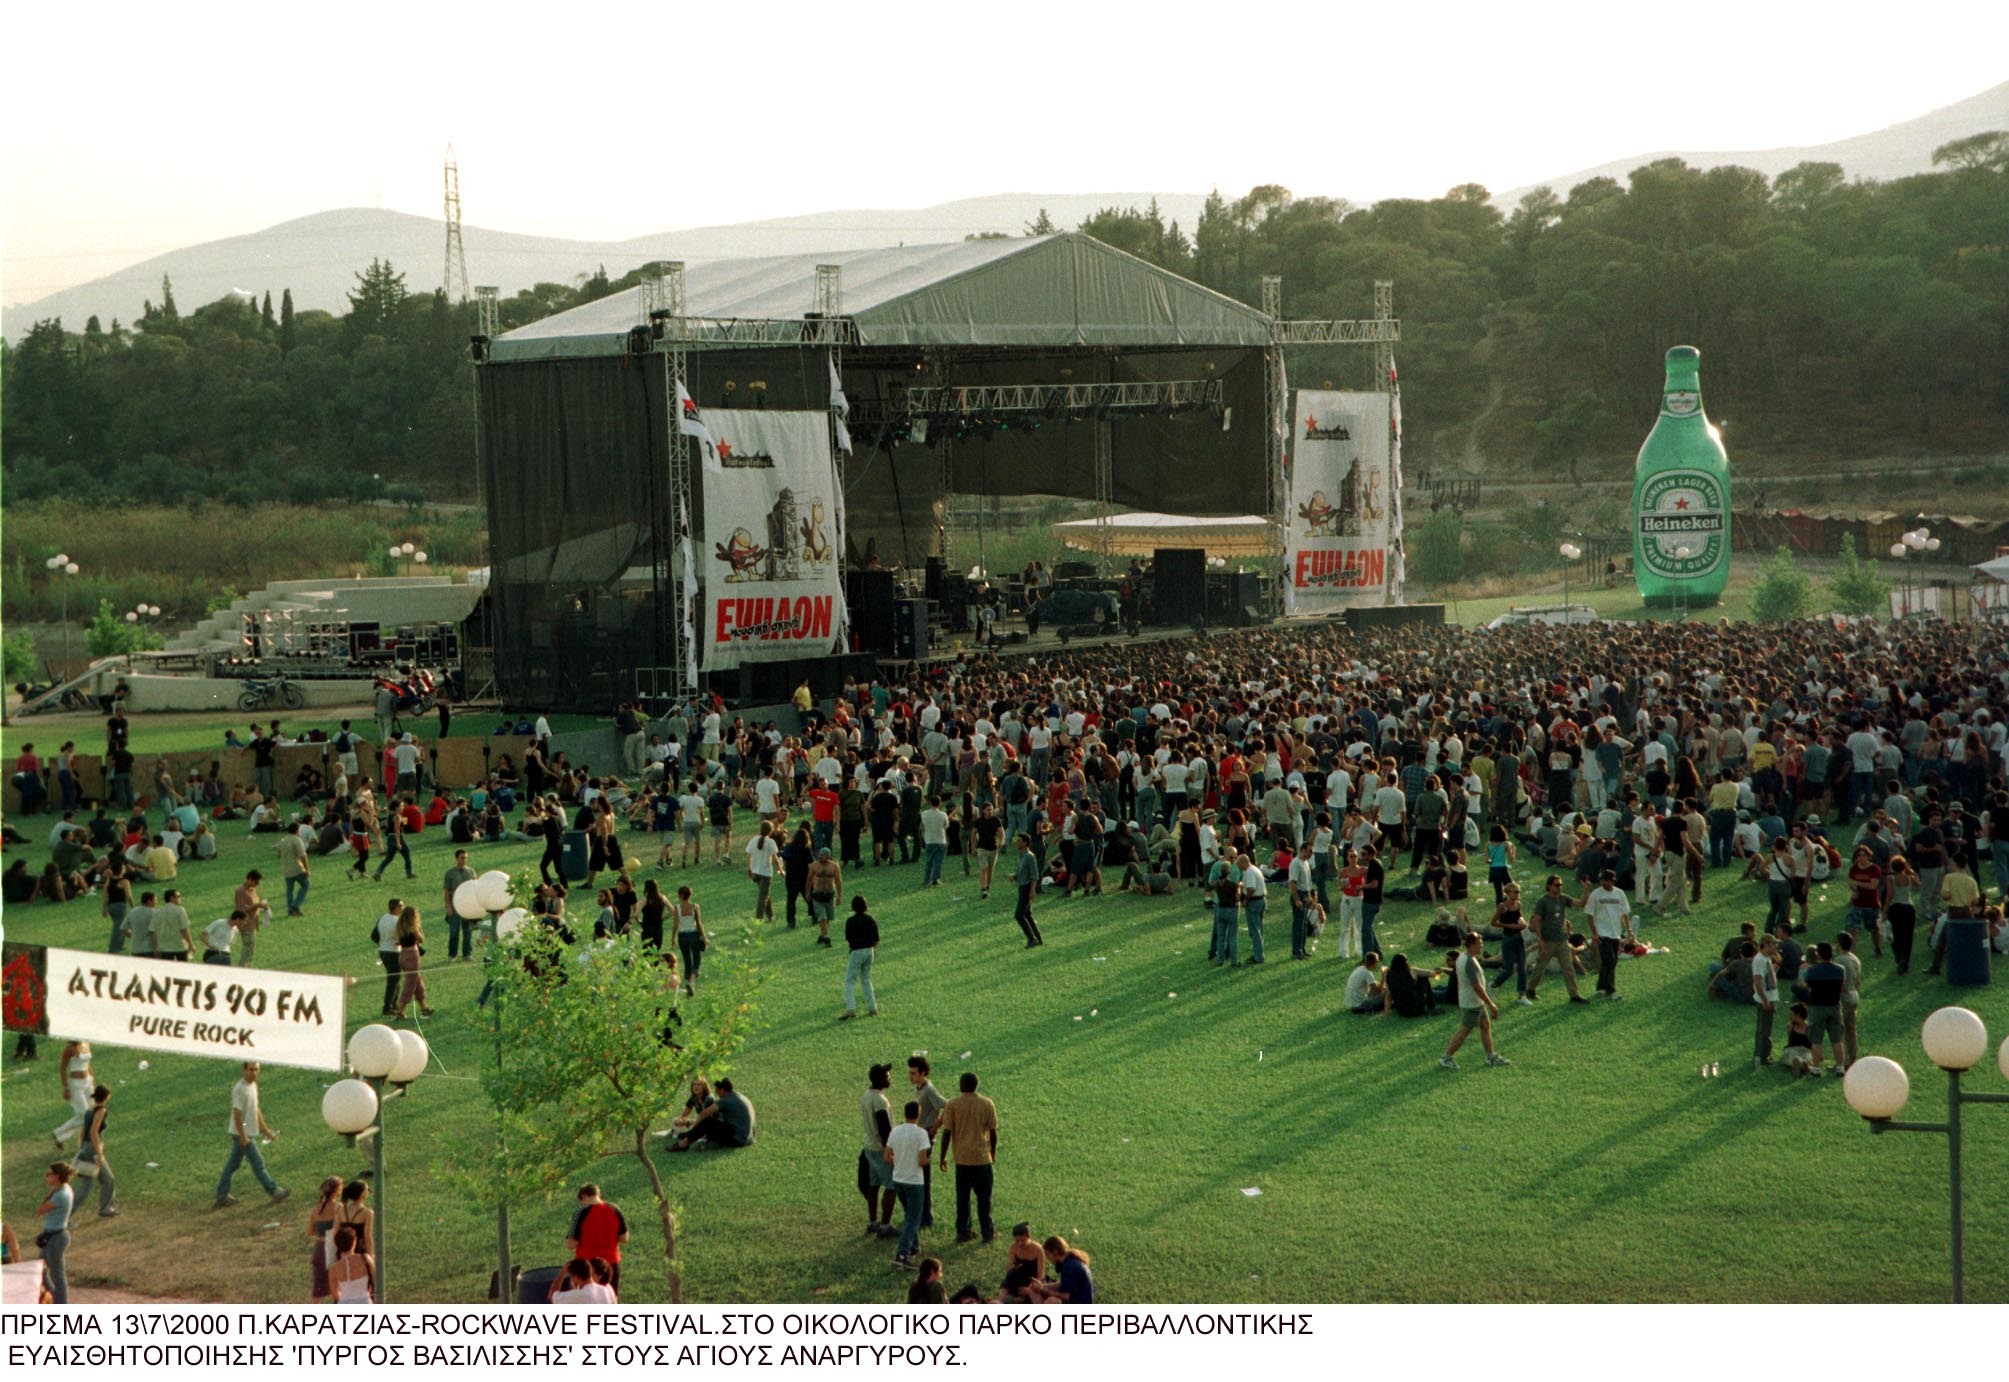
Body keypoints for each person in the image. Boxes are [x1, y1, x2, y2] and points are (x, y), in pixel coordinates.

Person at [216, 1061, 289, 1208]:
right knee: (258, 1164)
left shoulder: (253, 1086)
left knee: (233, 1165)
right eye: (251, 1069)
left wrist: (266, 1130)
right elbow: (237, 1114)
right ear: (244, 1070)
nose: (254, 1073)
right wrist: (243, 1135)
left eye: (256, 1070)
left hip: (246, 1133)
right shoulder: (240, 1089)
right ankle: (274, 1191)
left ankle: (221, 1196)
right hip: (242, 1134)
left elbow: (255, 1110)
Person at [936, 1069, 998, 1244]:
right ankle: (988, 1231)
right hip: (982, 1158)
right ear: (976, 1085)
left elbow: (947, 1133)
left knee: (962, 1198)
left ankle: (963, 1231)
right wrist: (992, 1152)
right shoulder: (987, 1104)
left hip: (962, 1159)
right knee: (984, 1198)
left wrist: (942, 1156)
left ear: (961, 1086)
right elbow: (993, 1133)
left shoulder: (953, 1105)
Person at [1440, 931, 1509, 1069]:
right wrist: (1491, 1004)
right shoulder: (1469, 962)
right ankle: (1447, 1058)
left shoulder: (1462, 957)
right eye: (1479, 944)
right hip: (1473, 1002)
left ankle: (1491, 1056)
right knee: (1464, 1030)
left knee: (1485, 1025)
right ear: (1471, 944)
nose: (1481, 946)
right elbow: (1476, 986)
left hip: (1473, 1001)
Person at [886, 1100, 931, 1269]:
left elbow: (886, 1157)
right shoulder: (921, 1134)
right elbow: (922, 1160)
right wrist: (928, 1161)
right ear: (918, 1114)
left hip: (898, 1179)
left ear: (905, 1113)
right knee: (914, 1218)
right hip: (914, 1181)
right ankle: (902, 1254)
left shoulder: (895, 1131)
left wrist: (899, 1162)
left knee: (909, 1213)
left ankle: (914, 1246)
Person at [859, 1064, 898, 1240]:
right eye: (887, 1076)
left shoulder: (867, 1095)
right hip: (881, 1148)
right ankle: (885, 1226)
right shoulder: (880, 1101)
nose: (890, 1079)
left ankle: (873, 1221)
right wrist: (889, 1151)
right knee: (891, 1186)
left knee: (874, 1185)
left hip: (869, 1146)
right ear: (880, 1080)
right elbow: (885, 1129)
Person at [1581, 868, 1634, 1001]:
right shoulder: (1596, 895)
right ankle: (1611, 990)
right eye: (1602, 880)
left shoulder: (1620, 894)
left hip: (1615, 932)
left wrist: (1629, 930)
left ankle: (1601, 988)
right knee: (1609, 960)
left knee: (1611, 961)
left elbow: (1624, 914)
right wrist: (1594, 933)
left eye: (1606, 880)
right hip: (1602, 933)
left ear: (1612, 881)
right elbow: (1589, 914)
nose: (1603, 883)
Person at [566, 1184, 629, 1292]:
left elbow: (571, 1244)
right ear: (598, 1194)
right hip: (611, 1264)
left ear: (584, 1196)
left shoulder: (580, 1213)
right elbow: (624, 1238)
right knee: (611, 1299)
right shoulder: (614, 1209)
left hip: (587, 1268)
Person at [68, 1085, 117, 1219]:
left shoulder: (89, 1110)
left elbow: (83, 1132)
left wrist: (82, 1147)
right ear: (106, 1097)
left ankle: (105, 1208)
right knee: (88, 1185)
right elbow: (94, 1132)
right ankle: (68, 1216)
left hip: (86, 1147)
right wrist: (99, 1153)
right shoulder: (101, 1111)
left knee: (106, 1180)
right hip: (93, 1149)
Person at [36, 1163, 74, 1304]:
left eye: (49, 1174)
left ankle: (61, 1304)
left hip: (55, 1238)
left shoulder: (59, 1195)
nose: (46, 1177)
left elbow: (40, 1210)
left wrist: (50, 1193)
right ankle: (53, 1298)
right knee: (40, 1269)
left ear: (57, 1176)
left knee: (57, 1274)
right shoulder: (66, 1189)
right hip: (55, 1236)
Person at [841, 895, 880, 1020]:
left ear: (853, 907)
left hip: (856, 952)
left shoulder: (850, 921)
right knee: (866, 980)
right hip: (870, 951)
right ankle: (872, 1008)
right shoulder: (870, 919)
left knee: (849, 980)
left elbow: (848, 939)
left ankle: (850, 1008)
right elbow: (876, 939)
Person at [308, 1176, 344, 1302]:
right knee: (337, 1284)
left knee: (318, 1287)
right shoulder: (338, 1207)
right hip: (333, 1248)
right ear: (336, 1191)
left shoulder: (315, 1209)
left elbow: (310, 1231)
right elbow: (339, 1228)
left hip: (318, 1248)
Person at [1029, 1235, 1094, 1304]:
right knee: (1034, 1291)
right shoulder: (1069, 1261)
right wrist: (1043, 1286)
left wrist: (1043, 1289)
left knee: (1052, 1301)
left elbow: (1066, 1296)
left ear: (1055, 1252)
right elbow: (1064, 1284)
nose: (1047, 1258)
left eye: (1047, 1254)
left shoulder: (1069, 1267)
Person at [1752, 935, 1780, 1069]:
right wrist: (1765, 1001)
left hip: (1770, 998)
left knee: (1764, 1029)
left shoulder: (1766, 959)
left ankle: (1760, 1056)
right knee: (1765, 1030)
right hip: (1766, 1000)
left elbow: (1770, 977)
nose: (1776, 947)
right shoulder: (1760, 960)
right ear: (1767, 945)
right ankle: (1763, 1058)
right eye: (1774, 944)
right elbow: (1757, 981)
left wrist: (1778, 963)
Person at [329, 1225, 375, 1304]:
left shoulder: (334, 1269)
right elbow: (376, 1281)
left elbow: (335, 1295)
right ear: (354, 1242)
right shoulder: (365, 1259)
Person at [1012, 834, 1044, 948]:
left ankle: (1031, 938)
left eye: (1019, 841)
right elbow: (1022, 871)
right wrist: (1015, 876)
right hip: (1022, 887)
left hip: (1027, 888)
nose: (1017, 842)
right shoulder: (1021, 855)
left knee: (1019, 915)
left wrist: (1032, 890)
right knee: (1027, 914)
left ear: (1025, 843)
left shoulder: (1030, 856)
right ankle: (1038, 938)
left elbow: (1034, 875)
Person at [673, 886, 705, 995]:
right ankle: (691, 983)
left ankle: (689, 985)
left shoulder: (677, 908)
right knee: (696, 960)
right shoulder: (695, 907)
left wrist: (673, 938)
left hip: (682, 936)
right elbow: (699, 923)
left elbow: (676, 924)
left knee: (687, 960)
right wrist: (704, 937)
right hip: (694, 935)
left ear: (681, 895)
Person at [808, 848, 842, 948]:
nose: (820, 856)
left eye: (822, 855)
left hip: (829, 895)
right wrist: (807, 893)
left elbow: (838, 881)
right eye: (819, 854)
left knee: (827, 917)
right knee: (822, 916)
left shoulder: (834, 866)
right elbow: (809, 880)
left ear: (828, 856)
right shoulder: (814, 865)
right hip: (817, 895)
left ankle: (822, 935)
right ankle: (827, 937)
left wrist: (839, 896)